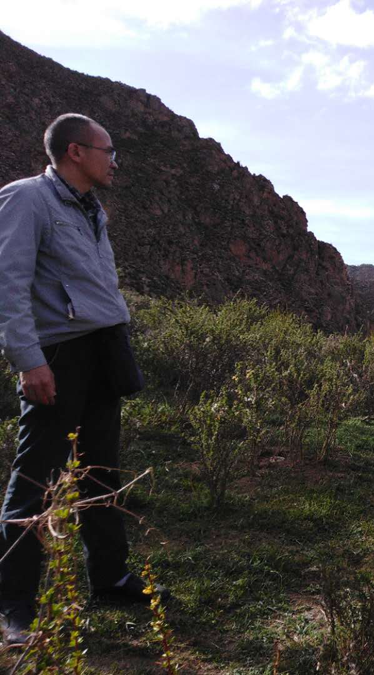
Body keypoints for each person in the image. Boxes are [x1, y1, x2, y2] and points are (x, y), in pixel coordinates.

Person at [0, 113, 169, 647]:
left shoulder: (91, 207)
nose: (114, 161)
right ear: (76, 151)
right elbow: (7, 283)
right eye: (107, 150)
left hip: (103, 348)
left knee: (101, 470)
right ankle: (14, 606)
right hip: (58, 355)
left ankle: (111, 577)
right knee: (35, 480)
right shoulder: (27, 199)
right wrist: (29, 360)